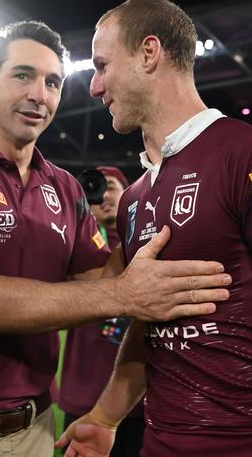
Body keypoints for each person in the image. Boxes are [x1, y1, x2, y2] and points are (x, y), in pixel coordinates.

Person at [0, 20, 231, 457]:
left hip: (35, 427)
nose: (40, 93)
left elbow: (100, 282)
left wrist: (159, 201)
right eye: (23, 75)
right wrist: (126, 294)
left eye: (52, 82)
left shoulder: (64, 187)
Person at [57, 0, 252, 457]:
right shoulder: (136, 197)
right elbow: (152, 326)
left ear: (149, 52)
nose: (95, 86)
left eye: (102, 65)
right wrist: (105, 416)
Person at [60, 166, 144, 456]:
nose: (104, 195)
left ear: (128, 194)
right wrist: (83, 225)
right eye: (95, 188)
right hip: (81, 393)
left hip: (135, 400)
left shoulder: (142, 241)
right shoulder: (71, 241)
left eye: (111, 186)